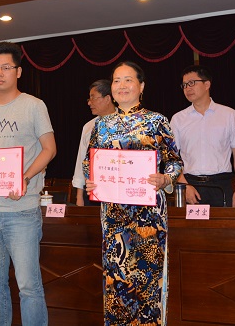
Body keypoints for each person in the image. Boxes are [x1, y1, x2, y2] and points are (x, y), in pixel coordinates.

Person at [84, 61, 183, 325]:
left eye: (128, 80)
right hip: (114, 215)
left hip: (148, 216)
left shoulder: (156, 121)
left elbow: (174, 162)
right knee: (116, 280)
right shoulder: (101, 125)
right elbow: (89, 163)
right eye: (117, 80)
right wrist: (91, 181)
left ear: (141, 86)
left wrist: (166, 178)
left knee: (147, 280)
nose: (122, 85)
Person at [0, 41, 56, 326]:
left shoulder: (33, 105)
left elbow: (49, 149)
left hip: (22, 211)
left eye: (5, 67)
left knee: (28, 286)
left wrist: (24, 178)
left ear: (18, 71)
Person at [170, 65, 235, 207]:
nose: (187, 88)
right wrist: (184, 185)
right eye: (184, 85)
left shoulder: (229, 114)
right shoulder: (178, 119)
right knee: (191, 223)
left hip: (221, 185)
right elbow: (172, 157)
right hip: (190, 186)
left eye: (192, 83)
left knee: (222, 222)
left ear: (207, 84)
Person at [71, 79, 115, 206]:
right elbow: (81, 161)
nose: (89, 103)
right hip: (92, 192)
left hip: (118, 191)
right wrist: (79, 197)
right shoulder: (88, 127)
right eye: (89, 99)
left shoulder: (126, 124)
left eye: (93, 98)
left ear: (107, 98)